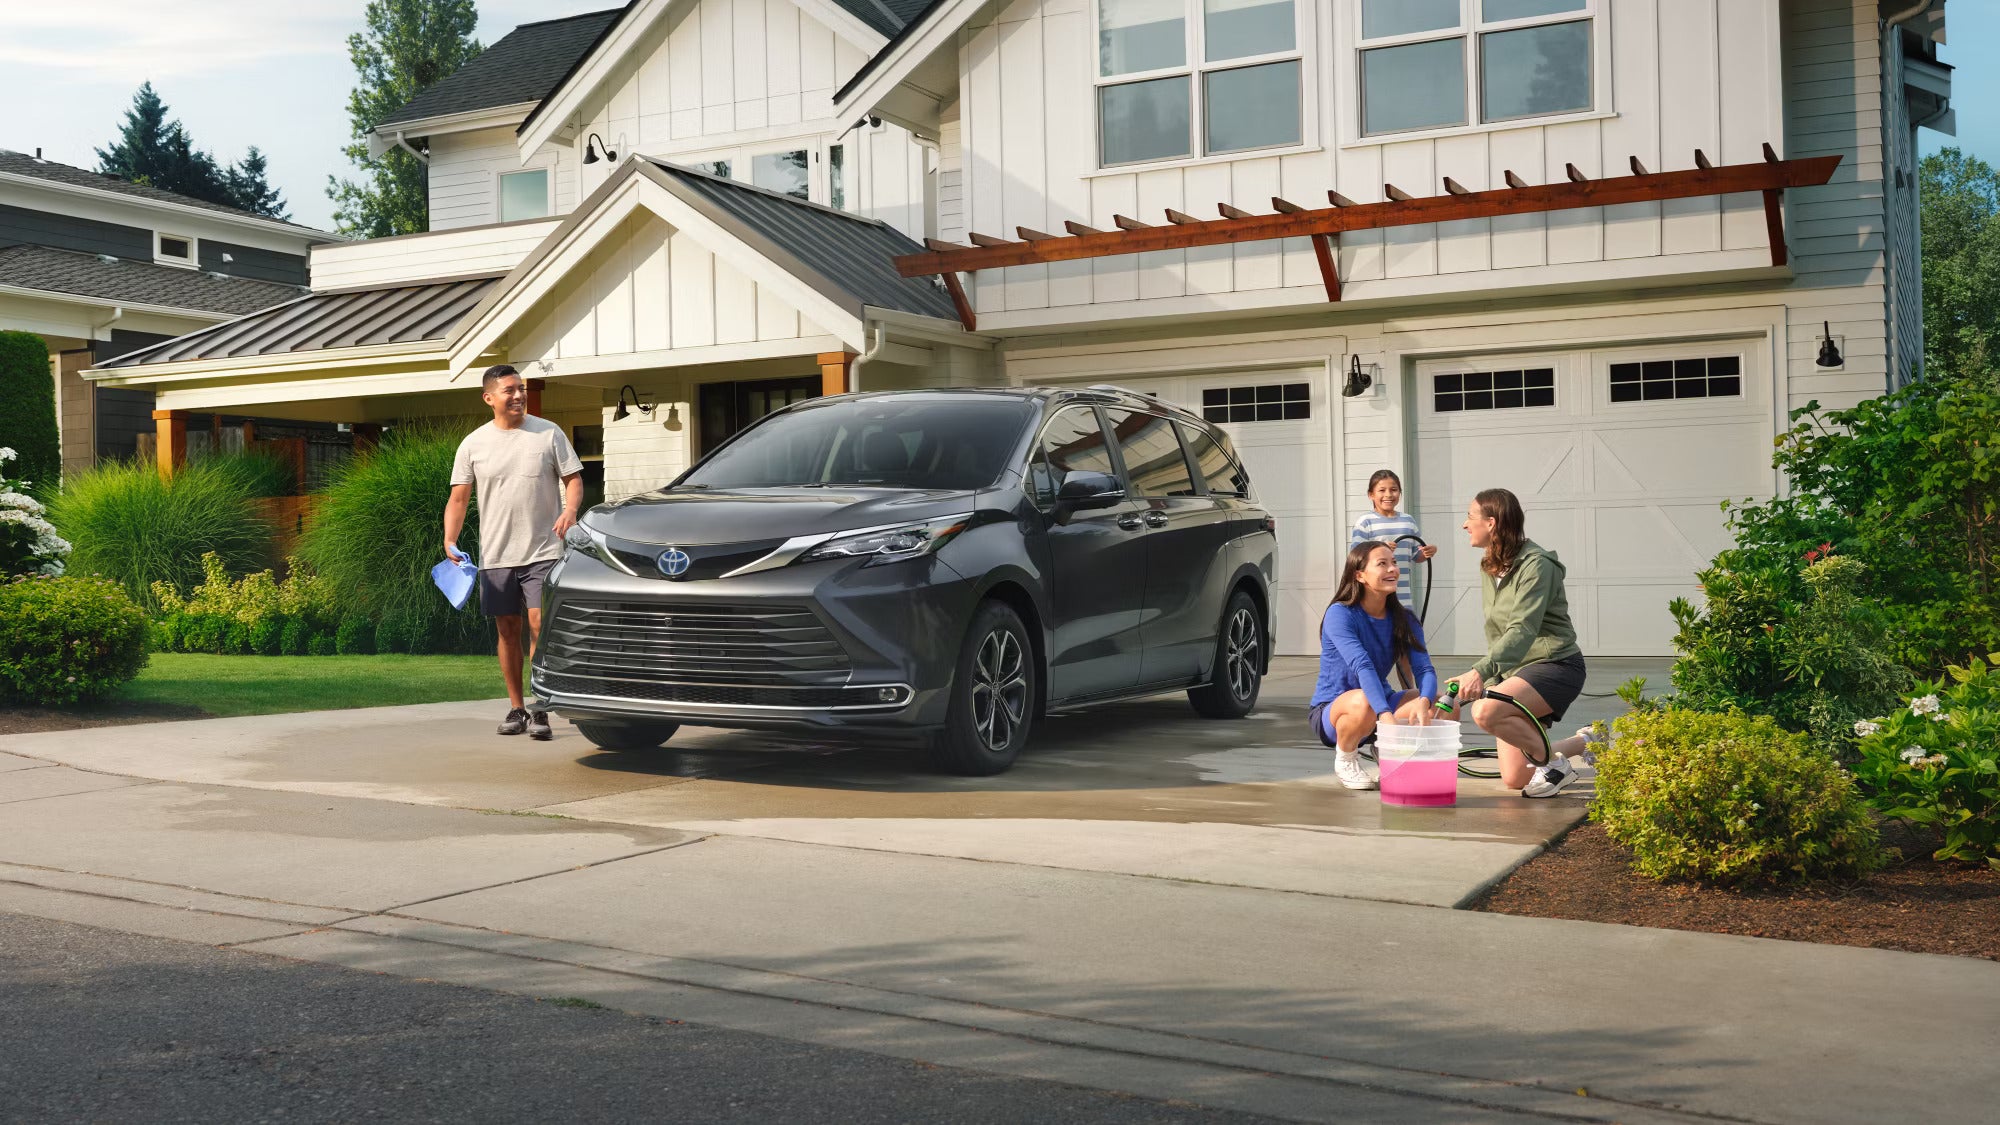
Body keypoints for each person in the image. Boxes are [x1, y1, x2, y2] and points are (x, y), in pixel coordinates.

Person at [443, 364, 584, 741]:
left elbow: (573, 479)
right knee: (508, 631)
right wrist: (449, 540)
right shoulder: (474, 443)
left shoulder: (548, 433)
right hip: (496, 556)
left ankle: (541, 708)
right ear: (489, 398)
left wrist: (569, 510)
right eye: (509, 390)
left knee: (540, 626)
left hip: (544, 550)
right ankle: (516, 707)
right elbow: (459, 497)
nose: (518, 395)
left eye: (520, 388)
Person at [1448, 488, 1597, 797]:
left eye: (1470, 517)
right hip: (1517, 673)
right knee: (1516, 777)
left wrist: (1479, 672)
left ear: (1491, 523)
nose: (1465, 524)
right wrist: (1492, 679)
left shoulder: (1537, 565)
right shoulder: (1488, 566)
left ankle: (1555, 768)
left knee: (1485, 712)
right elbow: (1497, 632)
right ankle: (1586, 742)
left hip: (1555, 665)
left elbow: (1522, 629)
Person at [1309, 540, 1439, 791]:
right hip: (1336, 711)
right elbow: (1362, 665)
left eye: (1394, 563)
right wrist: (1385, 715)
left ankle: (1385, 750)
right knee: (1363, 700)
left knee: (1445, 704)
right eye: (1382, 564)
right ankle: (1346, 759)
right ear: (1360, 575)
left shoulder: (1405, 618)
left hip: (1379, 704)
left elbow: (1424, 669)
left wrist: (1424, 701)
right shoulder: (1340, 613)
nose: (1392, 569)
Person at [1349, 470, 1437, 609]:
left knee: (1404, 629)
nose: (1388, 495)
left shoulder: (1408, 521)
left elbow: (1416, 555)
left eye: (1394, 490)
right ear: (1371, 494)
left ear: (1400, 493)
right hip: (1375, 596)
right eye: (1382, 490)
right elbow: (1355, 557)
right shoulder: (1365, 522)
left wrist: (1427, 552)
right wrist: (1380, 550)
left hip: (1403, 596)